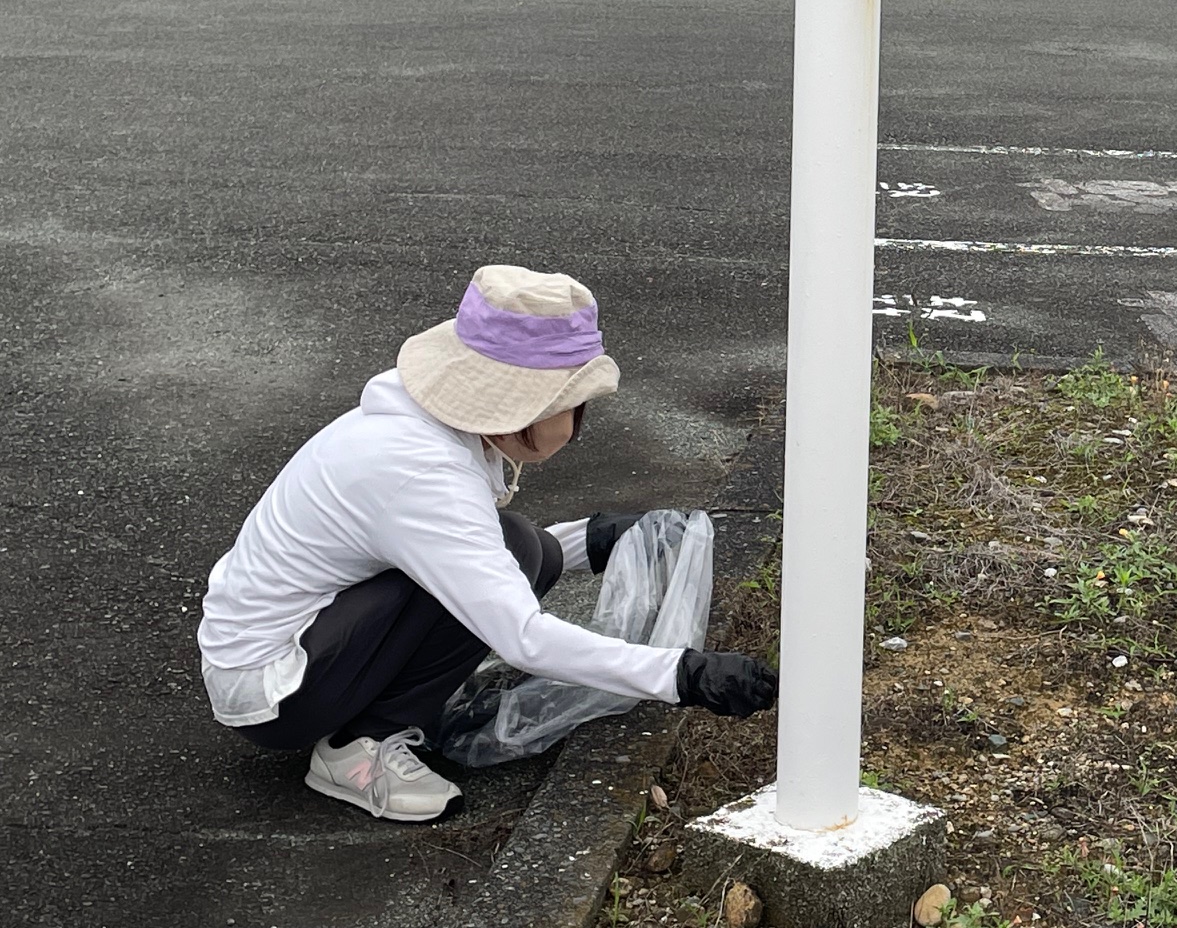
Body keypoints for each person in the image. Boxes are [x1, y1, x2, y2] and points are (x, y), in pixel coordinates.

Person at [197, 264, 778, 823]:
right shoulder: (419, 473)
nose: (578, 421)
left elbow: (476, 551)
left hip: (307, 639)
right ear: (522, 406)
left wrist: (592, 540)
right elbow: (522, 636)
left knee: (520, 546)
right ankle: (356, 746)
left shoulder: (421, 423)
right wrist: (683, 675)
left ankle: (375, 706)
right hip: (280, 690)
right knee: (501, 562)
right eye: (572, 405)